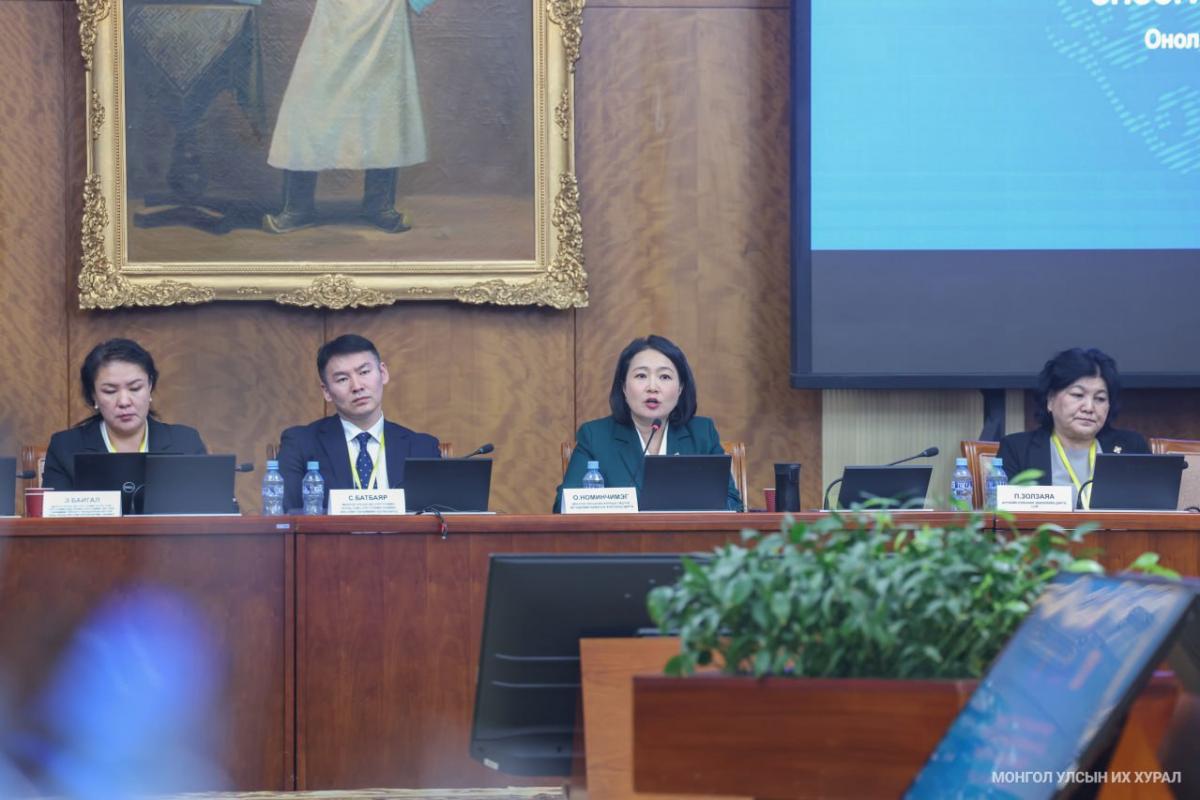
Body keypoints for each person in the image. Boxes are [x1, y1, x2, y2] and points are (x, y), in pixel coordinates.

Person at [262, 0, 437, 234]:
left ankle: (379, 207)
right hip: (334, 12)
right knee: (308, 106)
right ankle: (298, 209)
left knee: (383, 108)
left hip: (384, 13)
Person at [554, 334, 741, 512]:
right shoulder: (595, 436)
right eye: (641, 376)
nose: (652, 387)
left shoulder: (702, 434)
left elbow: (732, 503)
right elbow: (563, 505)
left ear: (680, 388)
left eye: (665, 377)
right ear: (624, 387)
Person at [277, 334, 440, 510]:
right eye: (342, 379)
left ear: (383, 373)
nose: (357, 386)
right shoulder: (301, 444)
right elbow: (286, 514)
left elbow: (440, 516)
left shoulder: (422, 448)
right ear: (326, 391)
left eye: (364, 372)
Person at [42, 339, 207, 490]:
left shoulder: (185, 443)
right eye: (110, 391)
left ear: (150, 386)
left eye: (135, 388)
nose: (124, 401)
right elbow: (55, 512)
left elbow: (206, 506)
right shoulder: (65, 448)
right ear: (93, 395)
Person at [997, 347, 1149, 507]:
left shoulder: (1132, 447)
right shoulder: (1017, 451)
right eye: (1078, 395)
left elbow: (1152, 510)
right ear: (1050, 400)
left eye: (1100, 398)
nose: (1089, 407)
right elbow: (1004, 516)